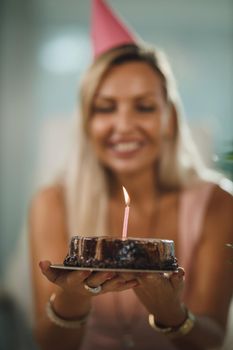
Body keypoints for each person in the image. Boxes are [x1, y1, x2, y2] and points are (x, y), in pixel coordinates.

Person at [29, 1, 233, 349]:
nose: (124, 126)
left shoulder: (219, 204)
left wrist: (172, 311)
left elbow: (212, 339)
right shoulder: (53, 202)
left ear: (169, 118)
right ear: (87, 122)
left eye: (144, 107)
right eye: (106, 107)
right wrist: (73, 299)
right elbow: (48, 343)